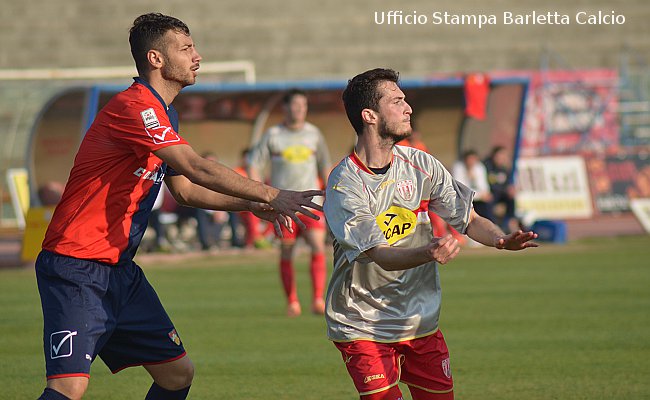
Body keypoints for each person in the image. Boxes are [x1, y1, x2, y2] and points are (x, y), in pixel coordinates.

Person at [35, 13, 322, 400]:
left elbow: (186, 191)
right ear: (155, 58)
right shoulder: (135, 108)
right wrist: (271, 193)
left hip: (120, 272)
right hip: (77, 267)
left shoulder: (163, 114)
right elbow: (197, 167)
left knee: (176, 374)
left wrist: (248, 203)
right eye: (186, 48)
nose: (197, 56)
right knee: (68, 387)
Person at [324, 68, 538, 400]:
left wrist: (499, 239)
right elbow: (379, 255)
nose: (408, 107)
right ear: (369, 115)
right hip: (362, 323)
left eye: (405, 99)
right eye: (396, 101)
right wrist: (429, 251)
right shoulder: (345, 184)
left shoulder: (421, 165)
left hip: (419, 321)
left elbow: (467, 218)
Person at [248, 89, 332, 317]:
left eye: (303, 106)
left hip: (310, 203)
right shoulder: (273, 135)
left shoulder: (314, 134)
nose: (299, 110)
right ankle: (292, 301)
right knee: (287, 252)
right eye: (295, 105)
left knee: (317, 246)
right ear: (285, 108)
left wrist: (330, 193)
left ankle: (318, 299)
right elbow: (254, 163)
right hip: (282, 204)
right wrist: (259, 191)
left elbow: (325, 165)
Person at [452, 149, 494, 222]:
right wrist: (479, 195)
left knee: (487, 206)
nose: (471, 162)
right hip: (463, 197)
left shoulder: (479, 167)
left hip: (477, 197)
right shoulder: (458, 168)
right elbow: (462, 189)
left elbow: (483, 185)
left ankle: (488, 223)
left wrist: (484, 193)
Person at [484, 146, 517, 232]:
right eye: (500, 156)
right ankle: (493, 227)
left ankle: (511, 222)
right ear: (494, 155)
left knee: (511, 198)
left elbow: (507, 184)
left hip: (500, 194)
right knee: (488, 201)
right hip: (488, 194)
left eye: (504, 156)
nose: (502, 158)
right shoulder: (486, 166)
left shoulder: (504, 169)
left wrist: (510, 189)